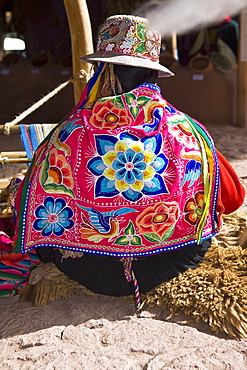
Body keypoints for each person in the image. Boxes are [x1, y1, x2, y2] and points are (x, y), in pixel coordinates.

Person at [13, 15, 245, 307]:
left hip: (90, 269)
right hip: (168, 263)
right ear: (152, 73)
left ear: (106, 73)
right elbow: (233, 198)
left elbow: (28, 205)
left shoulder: (70, 131)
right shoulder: (186, 131)